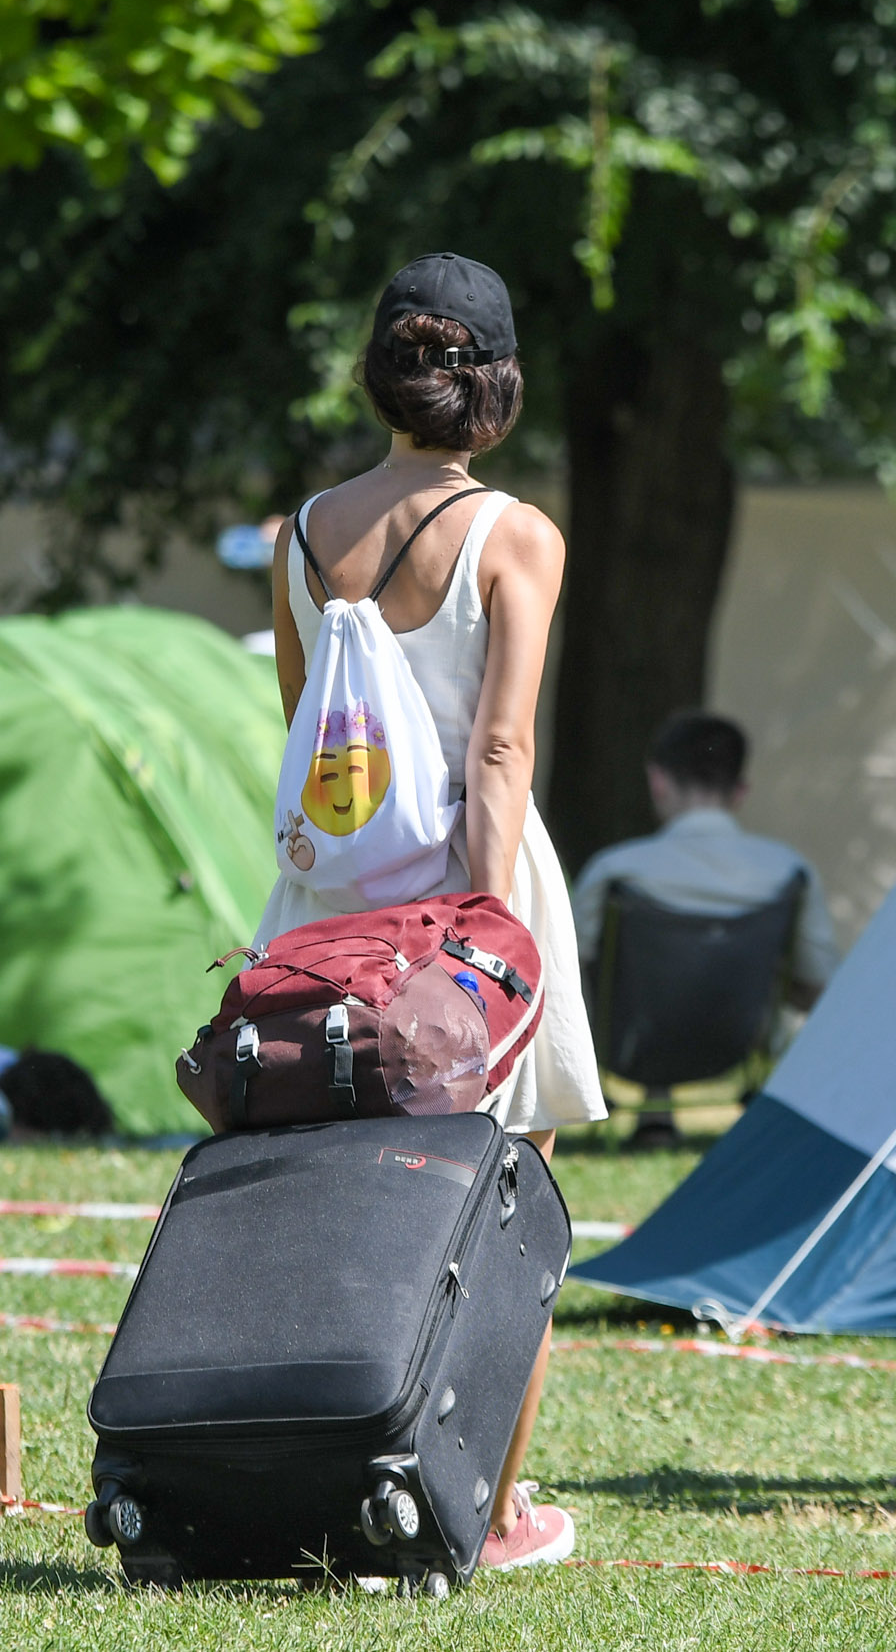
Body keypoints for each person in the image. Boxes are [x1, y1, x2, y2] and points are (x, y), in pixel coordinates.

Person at [261, 251, 608, 1570]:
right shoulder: (515, 535)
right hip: (475, 890)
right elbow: (501, 753)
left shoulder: (300, 533)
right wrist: (480, 930)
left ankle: (324, 1472)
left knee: (335, 1205)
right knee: (506, 1219)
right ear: (497, 383)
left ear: (380, 373)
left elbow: (301, 731)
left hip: (326, 904)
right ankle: (491, 1506)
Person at [571, 711, 838, 1146]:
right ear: (741, 791)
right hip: (736, 1044)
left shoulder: (617, 869)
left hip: (628, 1047)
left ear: (657, 781)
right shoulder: (788, 871)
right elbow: (818, 982)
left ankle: (655, 1112)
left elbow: (566, 975)